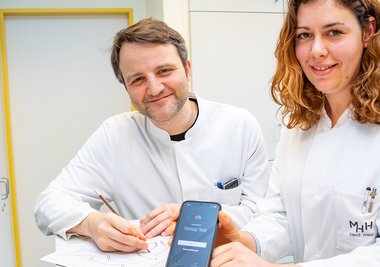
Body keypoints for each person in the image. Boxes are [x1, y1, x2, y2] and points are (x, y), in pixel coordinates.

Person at [208, 0, 380, 267]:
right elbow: (283, 212)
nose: (316, 50)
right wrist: (246, 240)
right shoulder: (300, 122)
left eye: (334, 33)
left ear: (368, 32)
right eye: (304, 35)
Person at [34, 18, 269, 252]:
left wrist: (195, 216)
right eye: (138, 79)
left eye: (164, 71)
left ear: (187, 69)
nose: (155, 88)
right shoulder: (115, 135)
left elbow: (260, 212)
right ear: (126, 88)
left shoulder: (240, 125)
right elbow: (48, 204)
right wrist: (92, 223)